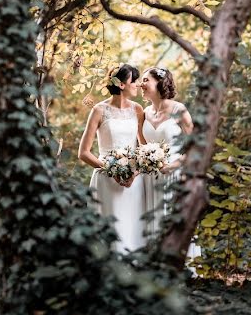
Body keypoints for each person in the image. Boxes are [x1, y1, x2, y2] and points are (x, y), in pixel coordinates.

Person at [78, 64, 148, 253]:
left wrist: (135, 171)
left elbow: (143, 147)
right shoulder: (99, 110)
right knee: (110, 231)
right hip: (106, 180)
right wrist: (112, 171)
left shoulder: (138, 110)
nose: (138, 85)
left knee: (133, 230)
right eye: (134, 81)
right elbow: (84, 152)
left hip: (134, 181)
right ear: (122, 85)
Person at [139, 66, 201, 269]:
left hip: (174, 174)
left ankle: (181, 268)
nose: (141, 84)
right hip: (150, 177)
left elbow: (196, 145)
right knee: (152, 220)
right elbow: (141, 143)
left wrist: (174, 164)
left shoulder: (179, 110)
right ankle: (155, 269)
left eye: (146, 80)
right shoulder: (145, 112)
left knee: (173, 221)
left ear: (160, 83)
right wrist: (145, 159)